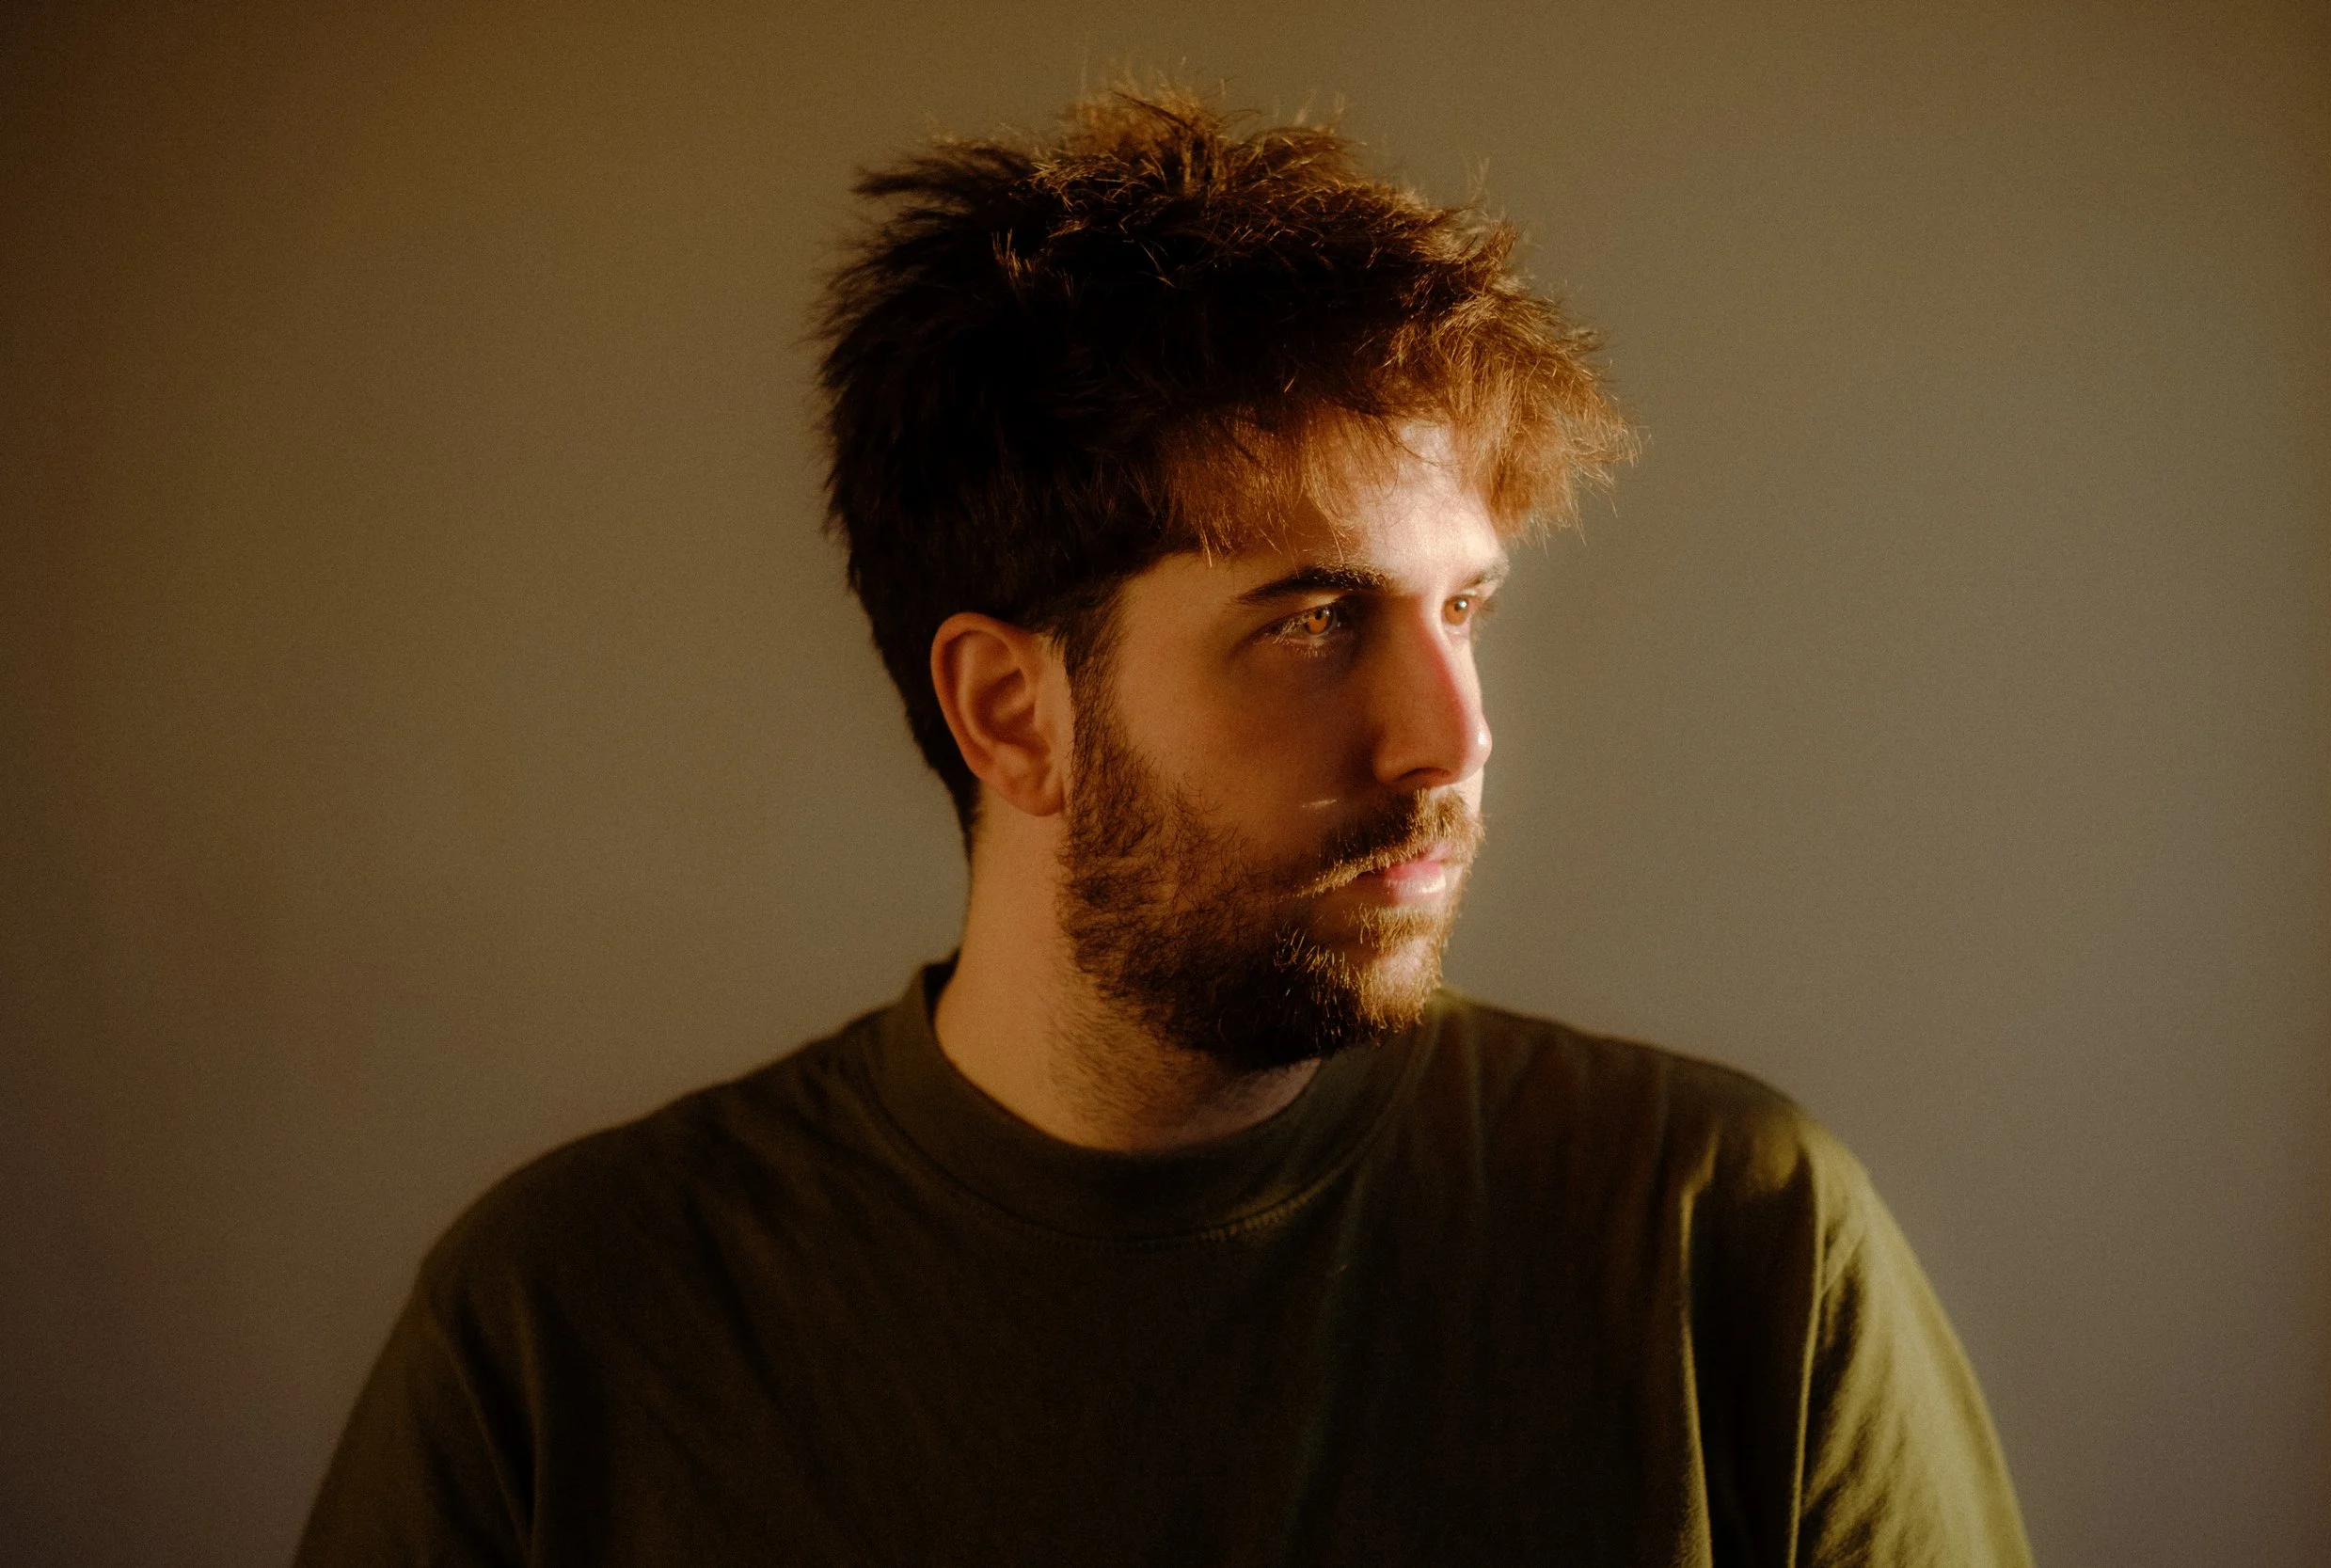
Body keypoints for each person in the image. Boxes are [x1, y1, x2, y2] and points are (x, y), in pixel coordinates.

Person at [295, 87, 2032, 1566]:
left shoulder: (1732, 1242)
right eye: (1314, 620)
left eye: (1465, 609)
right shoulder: (565, 1330)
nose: (1454, 738)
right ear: (1011, 710)